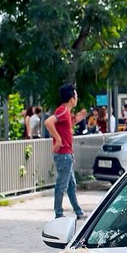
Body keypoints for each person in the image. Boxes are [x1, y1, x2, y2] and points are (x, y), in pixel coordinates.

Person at [44, 84, 85, 220]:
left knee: (71, 185)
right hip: (64, 154)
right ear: (71, 98)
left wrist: (76, 120)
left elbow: (64, 127)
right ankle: (59, 213)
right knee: (62, 185)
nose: (77, 98)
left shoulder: (66, 113)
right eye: (76, 95)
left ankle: (78, 212)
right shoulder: (62, 110)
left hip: (67, 153)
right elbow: (48, 122)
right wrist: (58, 139)